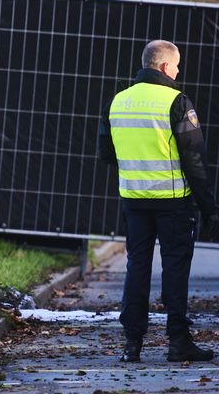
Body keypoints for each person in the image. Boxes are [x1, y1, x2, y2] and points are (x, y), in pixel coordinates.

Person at [99, 39, 218, 363]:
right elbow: (194, 159)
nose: (178, 71)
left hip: (134, 199)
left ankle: (131, 344)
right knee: (175, 269)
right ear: (165, 66)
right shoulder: (176, 101)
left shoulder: (119, 100)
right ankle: (178, 342)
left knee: (137, 267)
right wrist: (209, 207)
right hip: (173, 202)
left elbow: (106, 152)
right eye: (176, 65)